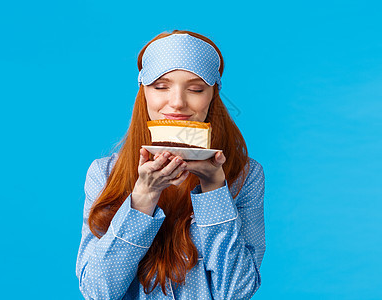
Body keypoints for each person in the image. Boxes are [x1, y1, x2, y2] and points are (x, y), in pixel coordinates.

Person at [76, 30, 266, 299]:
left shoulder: (245, 175)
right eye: (161, 86)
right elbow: (98, 293)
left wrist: (214, 189)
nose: (177, 103)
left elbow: (236, 292)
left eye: (196, 89)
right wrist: (143, 198)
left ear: (213, 94)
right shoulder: (104, 173)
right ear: (143, 92)